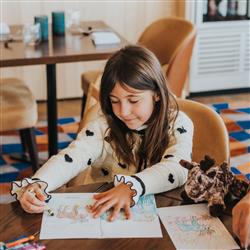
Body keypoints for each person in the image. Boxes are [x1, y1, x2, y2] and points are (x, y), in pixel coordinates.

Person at [11, 45, 193, 221]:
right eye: (114, 101)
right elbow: (72, 157)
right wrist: (38, 184)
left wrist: (131, 186)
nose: (123, 111)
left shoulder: (178, 123)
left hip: (158, 212)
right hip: (101, 210)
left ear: (157, 94)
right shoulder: (104, 125)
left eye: (133, 100)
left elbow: (178, 167)